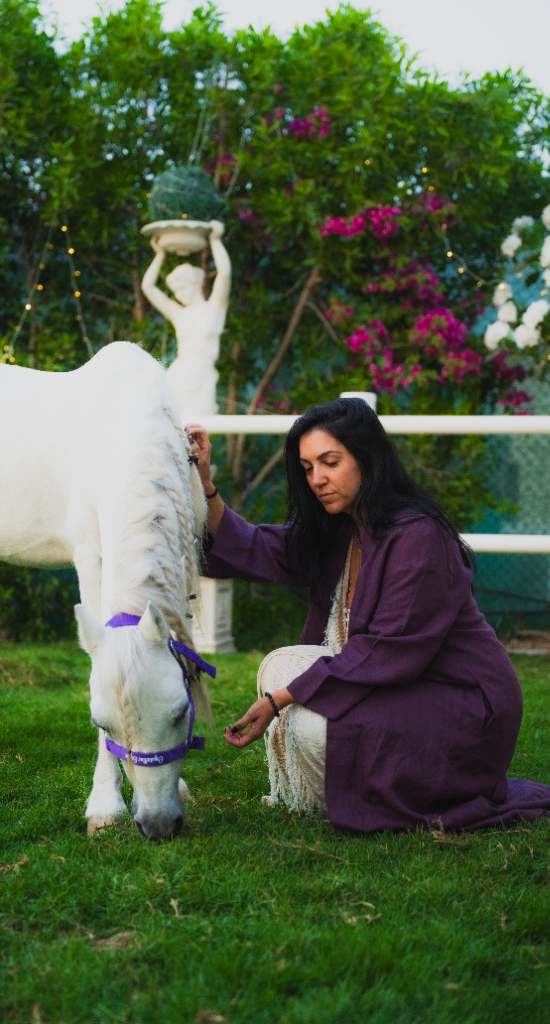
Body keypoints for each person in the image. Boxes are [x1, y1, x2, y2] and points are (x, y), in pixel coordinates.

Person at [186, 399, 550, 832]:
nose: (318, 479)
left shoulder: (418, 536)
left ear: (367, 457)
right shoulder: (343, 527)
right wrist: (204, 482)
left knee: (307, 719)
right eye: (307, 467)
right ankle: (333, 787)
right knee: (280, 668)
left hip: (463, 705)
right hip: (399, 687)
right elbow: (255, 548)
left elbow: (386, 649)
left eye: (330, 462)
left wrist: (279, 700)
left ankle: (366, 787)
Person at [141, 220, 231, 421]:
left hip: (202, 374)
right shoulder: (179, 313)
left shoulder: (213, 309)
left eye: (183, 288)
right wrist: (160, 254)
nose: (180, 294)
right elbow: (147, 287)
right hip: (180, 373)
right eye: (176, 291)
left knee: (199, 427)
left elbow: (224, 275)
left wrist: (215, 241)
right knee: (170, 423)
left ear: (196, 284)